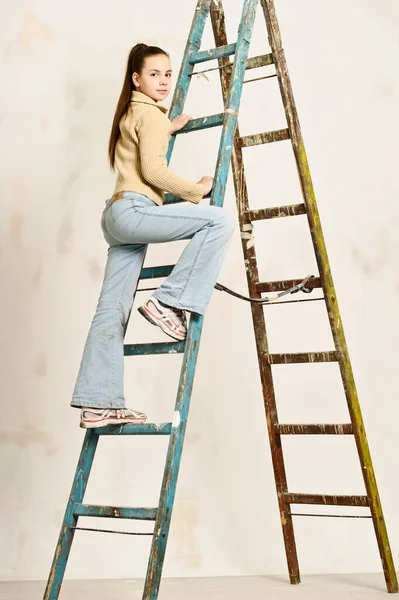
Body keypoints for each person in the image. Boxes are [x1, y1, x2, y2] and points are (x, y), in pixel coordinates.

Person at [71, 43, 235, 429]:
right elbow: (155, 172)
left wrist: (170, 124)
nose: (162, 81)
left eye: (167, 74)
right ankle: (168, 303)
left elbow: (143, 148)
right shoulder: (152, 117)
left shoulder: (133, 112)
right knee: (218, 221)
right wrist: (198, 189)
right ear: (136, 78)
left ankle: (98, 403)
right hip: (134, 211)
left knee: (112, 309)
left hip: (115, 214)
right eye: (153, 75)